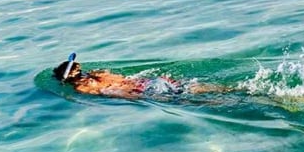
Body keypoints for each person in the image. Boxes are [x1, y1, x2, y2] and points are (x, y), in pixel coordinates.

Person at [51, 58, 227, 99]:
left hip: (146, 90)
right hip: (153, 80)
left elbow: (114, 92)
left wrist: (137, 97)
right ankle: (235, 89)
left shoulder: (82, 88)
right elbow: (118, 79)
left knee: (192, 100)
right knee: (196, 88)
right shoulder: (100, 73)